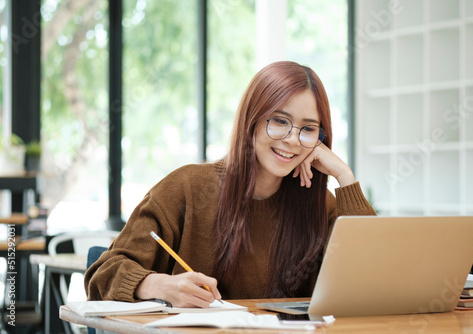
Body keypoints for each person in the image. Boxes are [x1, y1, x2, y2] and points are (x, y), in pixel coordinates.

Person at [84, 61, 376, 308]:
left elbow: (371, 286)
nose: (291, 139)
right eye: (279, 121)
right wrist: (159, 286)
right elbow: (103, 273)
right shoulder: (188, 187)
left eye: (308, 129)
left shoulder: (320, 205)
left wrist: (345, 177)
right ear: (252, 119)